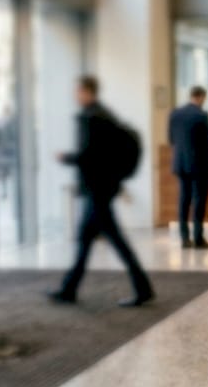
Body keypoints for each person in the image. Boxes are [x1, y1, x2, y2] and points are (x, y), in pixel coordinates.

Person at [48, 75, 155, 307]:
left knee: (114, 239)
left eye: (77, 91)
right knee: (86, 239)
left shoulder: (91, 118)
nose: (75, 95)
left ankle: (143, 287)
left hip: (97, 188)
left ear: (87, 91)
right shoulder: (105, 114)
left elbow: (89, 155)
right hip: (105, 186)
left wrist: (65, 157)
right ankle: (69, 288)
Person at [168, 86, 208, 249]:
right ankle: (198, 238)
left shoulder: (175, 113)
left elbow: (171, 139)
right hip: (200, 164)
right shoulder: (202, 115)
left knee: (183, 200)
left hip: (181, 163)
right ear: (201, 97)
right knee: (199, 201)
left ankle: (184, 239)